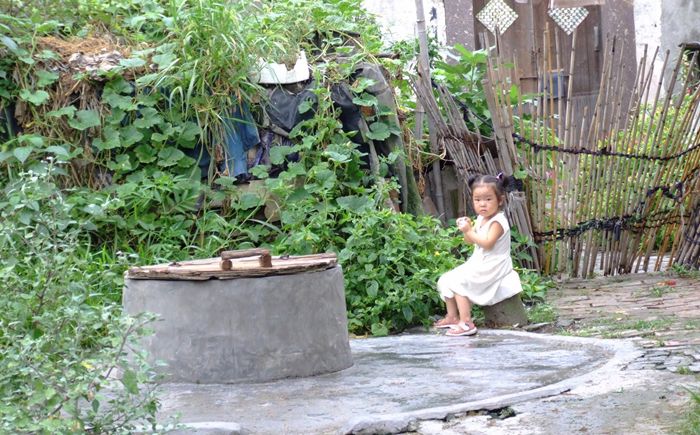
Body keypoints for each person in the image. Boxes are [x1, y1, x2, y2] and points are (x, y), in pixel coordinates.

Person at [433, 173, 523, 337]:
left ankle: (466, 322)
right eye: (477, 200)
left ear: (500, 200)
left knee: (459, 282)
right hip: (479, 261)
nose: (482, 204)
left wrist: (469, 231)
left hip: (494, 265)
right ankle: (452, 316)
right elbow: (470, 241)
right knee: (446, 279)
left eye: (488, 199)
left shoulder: (498, 222)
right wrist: (468, 229)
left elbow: (487, 243)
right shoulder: (482, 218)